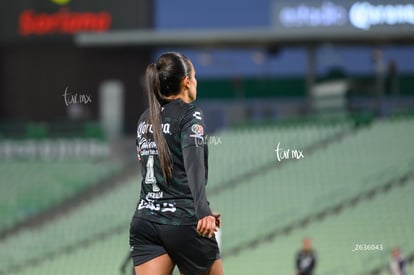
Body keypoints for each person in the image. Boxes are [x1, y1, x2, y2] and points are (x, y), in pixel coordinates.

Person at [129, 52, 223, 275]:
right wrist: (202, 211)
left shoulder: (145, 119)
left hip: (145, 222)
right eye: (196, 76)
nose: (196, 82)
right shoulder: (191, 115)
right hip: (183, 223)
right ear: (186, 82)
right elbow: (194, 163)